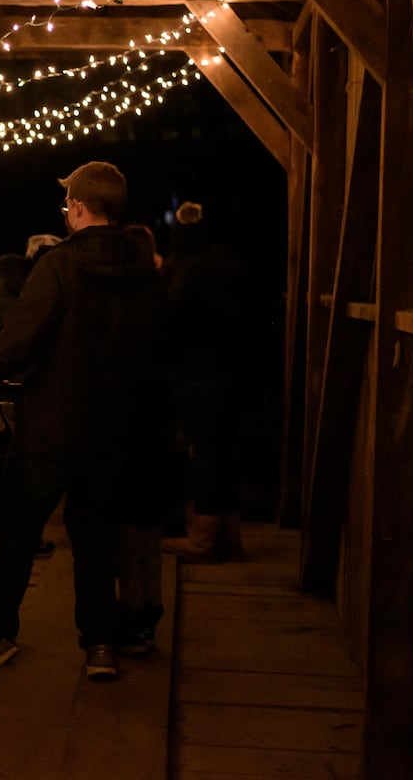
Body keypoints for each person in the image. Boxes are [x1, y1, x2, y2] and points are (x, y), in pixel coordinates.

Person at [0, 163, 165, 681]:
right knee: (93, 536)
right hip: (113, 429)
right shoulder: (143, 269)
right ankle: (100, 645)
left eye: (66, 203)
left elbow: (21, 336)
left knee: (17, 533)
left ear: (76, 207)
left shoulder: (58, 265)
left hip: (51, 425)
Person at [159, 202, 247, 563]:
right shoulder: (228, 262)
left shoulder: (182, 267)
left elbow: (169, 315)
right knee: (224, 452)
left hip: (196, 373)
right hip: (232, 371)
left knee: (204, 454)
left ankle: (205, 540)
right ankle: (230, 536)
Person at [112, 224, 174, 653]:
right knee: (151, 533)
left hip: (125, 423)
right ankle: (150, 615)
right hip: (158, 422)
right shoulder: (165, 296)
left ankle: (131, 616)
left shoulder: (119, 301)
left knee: (126, 532)